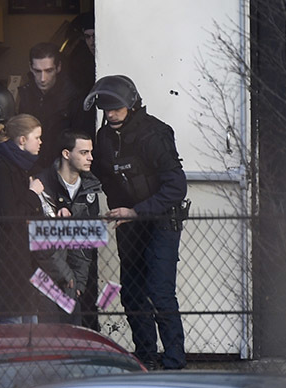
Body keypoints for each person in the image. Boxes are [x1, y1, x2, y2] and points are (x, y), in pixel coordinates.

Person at [85, 75, 188, 370]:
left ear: (131, 105)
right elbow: (104, 175)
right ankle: (146, 356)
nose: (111, 114)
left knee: (159, 291)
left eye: (116, 108)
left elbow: (176, 187)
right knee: (131, 291)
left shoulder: (154, 134)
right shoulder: (104, 137)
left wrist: (137, 210)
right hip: (128, 221)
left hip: (161, 220)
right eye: (106, 109)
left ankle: (174, 362)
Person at [0, 114, 73, 323]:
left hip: (24, 256)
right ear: (22, 140)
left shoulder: (21, 166)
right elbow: (8, 214)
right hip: (8, 257)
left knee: (30, 322)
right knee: (15, 322)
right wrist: (32, 193)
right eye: (37, 137)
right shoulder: (0, 167)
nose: (41, 142)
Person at [36, 131, 102, 327]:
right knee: (48, 334)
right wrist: (66, 277)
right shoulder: (43, 185)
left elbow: (86, 242)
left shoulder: (89, 189)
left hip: (72, 281)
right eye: (83, 152)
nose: (90, 157)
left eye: (90, 152)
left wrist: (78, 282)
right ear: (66, 154)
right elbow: (41, 242)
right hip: (43, 278)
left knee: (72, 333)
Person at [17, 42, 92, 168]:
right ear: (30, 67)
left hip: (64, 168)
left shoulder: (74, 97)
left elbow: (81, 140)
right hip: (32, 166)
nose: (42, 78)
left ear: (58, 67)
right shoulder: (26, 94)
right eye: (37, 71)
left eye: (48, 71)